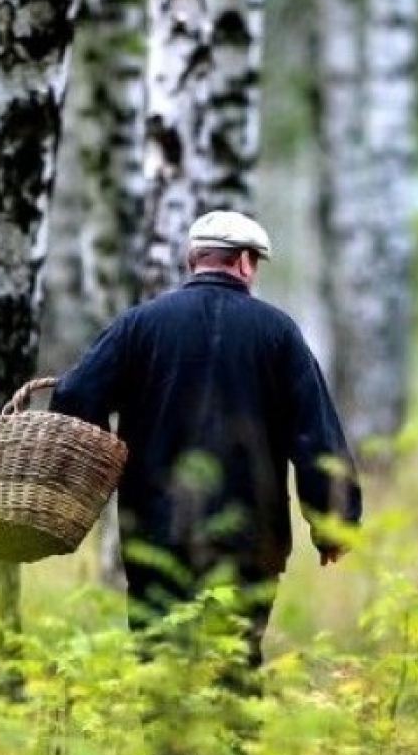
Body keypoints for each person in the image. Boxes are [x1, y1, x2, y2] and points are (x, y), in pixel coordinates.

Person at [50, 209, 363, 673]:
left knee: (159, 664)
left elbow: (74, 394)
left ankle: (166, 747)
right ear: (242, 262)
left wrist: (96, 468)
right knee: (234, 667)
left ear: (194, 260)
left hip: (154, 532)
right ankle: (229, 744)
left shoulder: (139, 325)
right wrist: (333, 522)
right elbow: (314, 435)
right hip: (250, 539)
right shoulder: (278, 333)